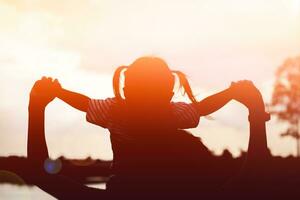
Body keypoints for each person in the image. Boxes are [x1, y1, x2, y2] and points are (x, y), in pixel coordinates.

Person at [27, 56, 270, 199]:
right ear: (169, 92)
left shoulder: (115, 110)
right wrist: (251, 108)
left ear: (125, 90)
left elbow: (41, 174)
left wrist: (43, 103)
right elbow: (204, 108)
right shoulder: (175, 114)